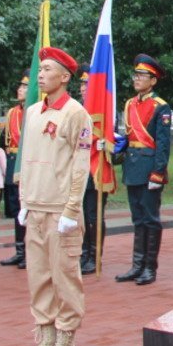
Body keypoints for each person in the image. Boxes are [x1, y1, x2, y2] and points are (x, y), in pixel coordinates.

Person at [16, 46, 92, 346]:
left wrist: (72, 209)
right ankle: (45, 337)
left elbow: (80, 164)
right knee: (39, 276)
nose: (41, 75)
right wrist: (23, 200)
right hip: (35, 206)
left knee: (65, 277)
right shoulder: (33, 112)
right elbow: (28, 159)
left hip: (61, 209)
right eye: (41, 69)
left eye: (48, 70)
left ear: (65, 77)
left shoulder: (76, 113)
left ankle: (66, 340)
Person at [114, 54, 172, 286]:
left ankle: (149, 267)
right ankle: (137, 265)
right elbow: (128, 137)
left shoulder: (161, 107)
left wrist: (158, 172)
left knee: (150, 219)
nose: (137, 79)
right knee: (137, 218)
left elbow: (163, 144)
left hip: (149, 168)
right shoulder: (129, 104)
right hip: (132, 165)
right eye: (136, 75)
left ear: (153, 80)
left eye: (142, 76)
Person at [77, 63, 108, 275]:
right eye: (81, 83)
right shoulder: (76, 107)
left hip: (96, 167)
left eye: (87, 83)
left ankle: (95, 256)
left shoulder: (104, 106)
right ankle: (83, 253)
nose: (82, 87)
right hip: (78, 167)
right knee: (79, 215)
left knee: (93, 215)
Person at [0, 70, 29, 266]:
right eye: (20, 86)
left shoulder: (35, 111)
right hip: (12, 163)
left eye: (25, 87)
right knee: (15, 209)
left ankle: (30, 252)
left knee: (27, 209)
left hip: (27, 164)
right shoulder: (12, 113)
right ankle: (19, 250)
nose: (20, 89)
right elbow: (2, 142)